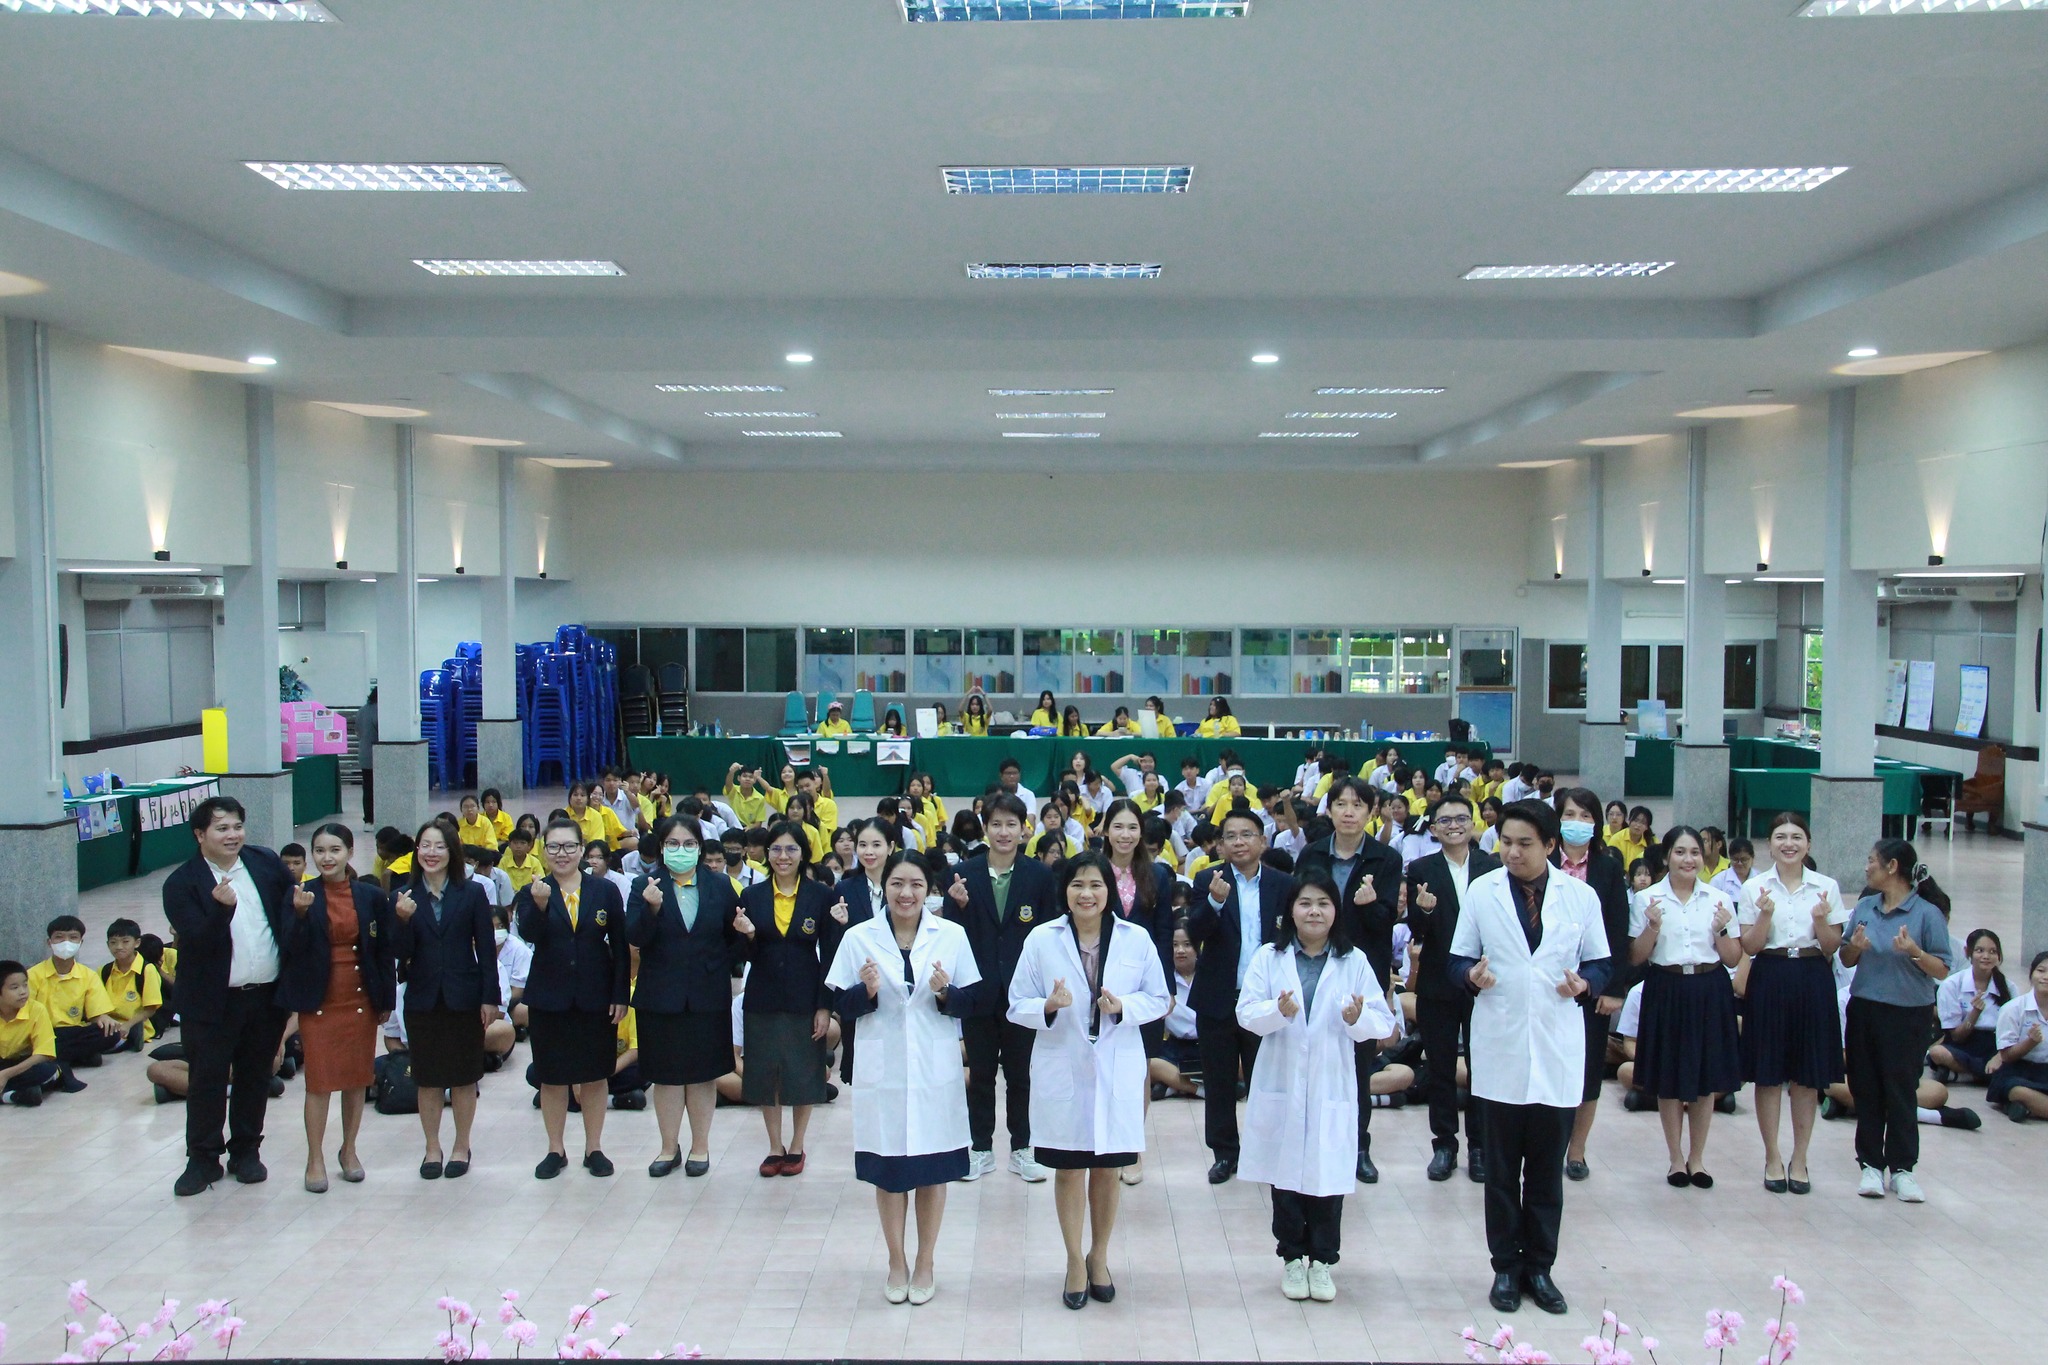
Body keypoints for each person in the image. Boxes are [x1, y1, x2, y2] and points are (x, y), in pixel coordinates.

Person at [1446, 800, 1612, 1317]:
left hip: (1557, 1045)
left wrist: (1586, 985)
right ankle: (1504, 1267)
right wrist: (1470, 976)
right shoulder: (1483, 891)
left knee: (1544, 1173)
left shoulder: (1580, 896)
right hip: (1500, 1045)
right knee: (1499, 1172)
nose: (1512, 853)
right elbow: (1457, 958)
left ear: (1550, 845)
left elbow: (1602, 962)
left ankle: (1540, 1267)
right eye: (1506, 842)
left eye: (1524, 843)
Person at [1007, 853, 1170, 1310]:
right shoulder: (1042, 939)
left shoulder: (1136, 939)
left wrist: (1123, 1007)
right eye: (1077, 884)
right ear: (1065, 892)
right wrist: (1049, 1006)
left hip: (1116, 1065)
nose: (1086, 894)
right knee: (1069, 1168)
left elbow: (1159, 998)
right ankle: (1074, 1260)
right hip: (1064, 1065)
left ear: (1109, 892)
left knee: (1107, 1168)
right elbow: (1016, 1003)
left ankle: (1099, 1255)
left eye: (1096, 885)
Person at [826, 850, 982, 1305]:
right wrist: (867, 991)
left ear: (928, 889)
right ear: (884, 887)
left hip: (934, 1069)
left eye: (916, 884)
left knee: (933, 1171)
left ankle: (926, 1261)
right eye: (897, 883)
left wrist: (945, 993)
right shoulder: (859, 937)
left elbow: (971, 1003)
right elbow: (841, 1005)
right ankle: (896, 1261)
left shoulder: (951, 935)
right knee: (889, 1171)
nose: (906, 893)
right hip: (885, 1071)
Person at [1237, 873, 1397, 1303]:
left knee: (1328, 1174)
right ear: (1291, 910)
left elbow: (1383, 1022)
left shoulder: (1353, 960)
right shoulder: (1269, 957)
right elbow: (1246, 1013)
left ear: (1336, 912)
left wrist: (1357, 1020)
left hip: (1331, 1081)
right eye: (1305, 903)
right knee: (1285, 1173)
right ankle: (1292, 1257)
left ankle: (1323, 1261)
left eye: (1324, 904)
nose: (1314, 912)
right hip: (1282, 1078)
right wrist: (1278, 1010)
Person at [162, 796, 294, 1196]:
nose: (232, 835)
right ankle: (202, 1158)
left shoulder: (264, 863)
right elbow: (198, 944)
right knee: (207, 1081)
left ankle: (246, 1151)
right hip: (211, 1003)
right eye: (221, 828)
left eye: (237, 826)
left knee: (255, 1077)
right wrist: (220, 911)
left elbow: (288, 914)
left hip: (265, 997)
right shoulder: (181, 883)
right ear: (200, 835)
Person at [942, 793, 1056, 1182]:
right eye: (996, 824)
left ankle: (1022, 1149)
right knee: (981, 1075)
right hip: (978, 992)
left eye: (1011, 824)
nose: (1004, 832)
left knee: (1022, 1076)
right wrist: (955, 906)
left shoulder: (1040, 876)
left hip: (1024, 995)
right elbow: (950, 935)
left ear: (1025, 829)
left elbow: (1050, 935)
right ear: (984, 827)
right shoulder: (963, 874)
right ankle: (981, 1149)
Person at [1296, 776, 1404, 1183]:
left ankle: (1358, 1147)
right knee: (1309, 1059)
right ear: (1329, 810)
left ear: (1371, 812)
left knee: (1357, 1066)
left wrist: (1370, 904)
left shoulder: (1385, 858)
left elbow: (1387, 920)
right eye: (1341, 804)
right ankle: (1307, 1143)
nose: (1348, 812)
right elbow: (1298, 907)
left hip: (1360, 973)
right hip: (1312, 965)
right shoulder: (1312, 853)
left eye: (1358, 805)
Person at [275, 823, 394, 1193]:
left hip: (359, 997)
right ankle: (315, 1157)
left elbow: (383, 950)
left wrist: (385, 1000)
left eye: (335, 850)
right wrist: (298, 915)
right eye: (320, 851)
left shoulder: (370, 895)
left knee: (356, 1078)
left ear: (350, 853)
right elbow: (287, 948)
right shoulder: (300, 893)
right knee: (320, 1081)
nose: (327, 858)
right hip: (319, 999)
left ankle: (349, 1149)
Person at [627, 815, 746, 1177]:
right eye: (673, 844)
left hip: (707, 995)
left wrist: (718, 960)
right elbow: (635, 937)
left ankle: (700, 1146)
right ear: (661, 848)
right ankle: (668, 1147)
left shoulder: (720, 885)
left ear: (700, 847)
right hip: (659, 995)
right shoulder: (643, 885)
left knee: (703, 1074)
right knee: (665, 1076)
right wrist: (651, 909)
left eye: (689, 844)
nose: (681, 850)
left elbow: (734, 940)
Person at [1734, 811, 1846, 1194]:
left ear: (1808, 844)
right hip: (1770, 974)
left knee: (1806, 1074)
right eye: (1780, 837)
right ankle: (1772, 1157)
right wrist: (1765, 916)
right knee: (1768, 1072)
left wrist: (1822, 922)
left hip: (1812, 976)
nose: (1789, 844)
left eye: (1796, 837)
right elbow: (1750, 946)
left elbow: (1831, 947)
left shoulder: (1826, 886)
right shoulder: (1754, 888)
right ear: (1770, 845)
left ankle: (1800, 1158)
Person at [1838, 838, 1954, 1202]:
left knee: (1901, 1090)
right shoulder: (1865, 907)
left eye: (1872, 861)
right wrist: (1855, 947)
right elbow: (1845, 958)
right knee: (1866, 1087)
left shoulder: (1927, 914)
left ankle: (1903, 1169)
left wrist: (1915, 952)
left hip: (1908, 1015)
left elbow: (1943, 968)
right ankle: (1870, 1165)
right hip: (1865, 1008)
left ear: (1892, 867)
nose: (1866, 867)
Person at [1188, 807, 1300, 1184]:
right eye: (1231, 836)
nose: (1239, 842)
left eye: (1247, 834)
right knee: (1219, 1082)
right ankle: (1224, 1154)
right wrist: (1214, 903)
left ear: (1263, 841)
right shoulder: (1207, 879)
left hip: (1267, 1002)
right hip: (1218, 997)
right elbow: (1194, 933)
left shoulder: (1284, 884)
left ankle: (1265, 1152)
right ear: (1221, 845)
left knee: (1266, 1082)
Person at [1627, 827, 1743, 1190]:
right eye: (1680, 852)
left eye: (1694, 852)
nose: (1688, 859)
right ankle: (1676, 1158)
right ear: (1666, 857)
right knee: (1669, 1077)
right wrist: (1652, 927)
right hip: (1666, 987)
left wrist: (1722, 931)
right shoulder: (1646, 899)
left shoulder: (1719, 898)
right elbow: (1636, 956)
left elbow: (1733, 957)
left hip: (1709, 988)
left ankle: (1698, 1158)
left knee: (1706, 1078)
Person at [519, 817, 633, 1179]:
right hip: (548, 998)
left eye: (569, 846)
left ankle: (593, 1147)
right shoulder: (533, 890)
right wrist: (539, 905)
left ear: (582, 850)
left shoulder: (604, 891)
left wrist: (620, 993)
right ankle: (555, 1149)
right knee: (552, 1077)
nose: (562, 854)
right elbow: (530, 934)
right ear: (544, 850)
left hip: (595, 996)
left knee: (595, 1076)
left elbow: (620, 946)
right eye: (554, 846)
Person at [391, 819, 499, 1179]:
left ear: (452, 852)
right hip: (422, 998)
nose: (431, 853)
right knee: (428, 1078)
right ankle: (432, 1147)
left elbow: (486, 949)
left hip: (464, 996)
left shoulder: (472, 893)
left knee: (464, 1076)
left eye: (439, 846)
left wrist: (490, 998)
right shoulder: (403, 896)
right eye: (425, 845)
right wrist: (402, 921)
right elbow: (399, 954)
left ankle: (461, 1145)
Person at [1406, 791, 1502, 1183]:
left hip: (1484, 981)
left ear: (1473, 823)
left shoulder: (1492, 866)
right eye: (1445, 820)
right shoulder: (1421, 868)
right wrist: (1425, 909)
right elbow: (1416, 930)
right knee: (1441, 1066)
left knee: (1483, 1067)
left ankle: (1480, 1146)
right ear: (1433, 829)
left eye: (1461, 818)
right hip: (1437, 982)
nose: (1454, 826)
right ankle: (1444, 1145)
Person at [736, 820, 837, 1176]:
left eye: (791, 849)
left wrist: (824, 1005)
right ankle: (774, 1146)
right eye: (776, 849)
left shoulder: (820, 895)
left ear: (803, 853)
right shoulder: (751, 896)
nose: (783, 856)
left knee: (803, 1070)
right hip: (762, 995)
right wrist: (748, 935)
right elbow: (743, 955)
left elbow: (831, 955)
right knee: (766, 1073)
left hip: (804, 995)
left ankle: (797, 1145)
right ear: (766, 853)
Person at [1550, 788, 1634, 1181]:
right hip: (1549, 982)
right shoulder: (1544, 861)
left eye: (1585, 816)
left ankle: (1577, 1150)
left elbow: (1617, 929)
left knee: (1586, 1069)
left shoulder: (1608, 868)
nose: (1577, 823)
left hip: (1593, 984)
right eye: (1570, 814)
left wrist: (1613, 988)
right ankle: (1549, 1145)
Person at [1099, 797, 1177, 1185]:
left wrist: (1166, 988)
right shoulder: (1093, 871)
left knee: (1139, 1066)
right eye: (1118, 826)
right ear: (1105, 830)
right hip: (1100, 980)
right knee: (1102, 1064)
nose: (1125, 835)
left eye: (1132, 827)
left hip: (1143, 985)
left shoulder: (1158, 876)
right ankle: (1101, 1142)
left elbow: (1164, 934)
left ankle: (1131, 1147)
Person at [29, 916, 122, 1087]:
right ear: (49, 942)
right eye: (59, 937)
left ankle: (60, 1057)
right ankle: (81, 1056)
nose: (66, 942)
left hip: (74, 1031)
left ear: (81, 942)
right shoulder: (33, 975)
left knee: (111, 1033)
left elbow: (97, 1014)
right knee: (34, 1044)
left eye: (73, 937)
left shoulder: (88, 975)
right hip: (45, 1033)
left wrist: (103, 1018)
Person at [1929, 929, 2012, 1082]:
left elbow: (2014, 1032)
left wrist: (2000, 1056)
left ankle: (1961, 1075)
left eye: (1993, 952)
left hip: (1995, 1044)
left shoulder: (2008, 987)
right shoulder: (1952, 985)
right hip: (1963, 1042)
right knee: (1937, 1053)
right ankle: (1983, 1075)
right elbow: (1957, 1037)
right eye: (1980, 951)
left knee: (2018, 1057)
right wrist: (1974, 1013)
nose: (1986, 956)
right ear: (1968, 952)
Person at [1987, 952, 2048, 1122]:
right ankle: (2027, 1104)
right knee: (2018, 1091)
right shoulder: (2013, 1008)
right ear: (2031, 974)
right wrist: (2030, 1042)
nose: (2046, 977)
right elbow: (2006, 1056)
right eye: (2041, 971)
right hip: (2019, 1070)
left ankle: (2026, 1108)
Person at [1150, 923, 1203, 1099]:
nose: (1180, 950)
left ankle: (1173, 1086)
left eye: (1187, 944)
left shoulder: (1208, 975)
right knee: (1149, 1065)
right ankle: (1200, 1090)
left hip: (1205, 1044)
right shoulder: (1162, 979)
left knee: (1241, 1061)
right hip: (1175, 1047)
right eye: (1174, 945)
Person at [0, 961, 61, 1106]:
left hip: (23, 1064)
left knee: (47, 1070)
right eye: (14, 988)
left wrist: (6, 1074)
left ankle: (8, 1094)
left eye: (25, 985)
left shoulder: (36, 1010)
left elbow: (43, 1054)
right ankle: (14, 1096)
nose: (23, 992)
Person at [99, 919, 165, 1050]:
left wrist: (127, 1025)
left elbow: (150, 1009)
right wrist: (103, 1018)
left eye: (125, 942)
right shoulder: (104, 971)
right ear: (107, 944)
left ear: (137, 943)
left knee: (108, 1040)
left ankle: (130, 1037)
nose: (119, 947)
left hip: (135, 1023)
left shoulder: (147, 970)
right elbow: (96, 1004)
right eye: (113, 942)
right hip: (109, 1023)